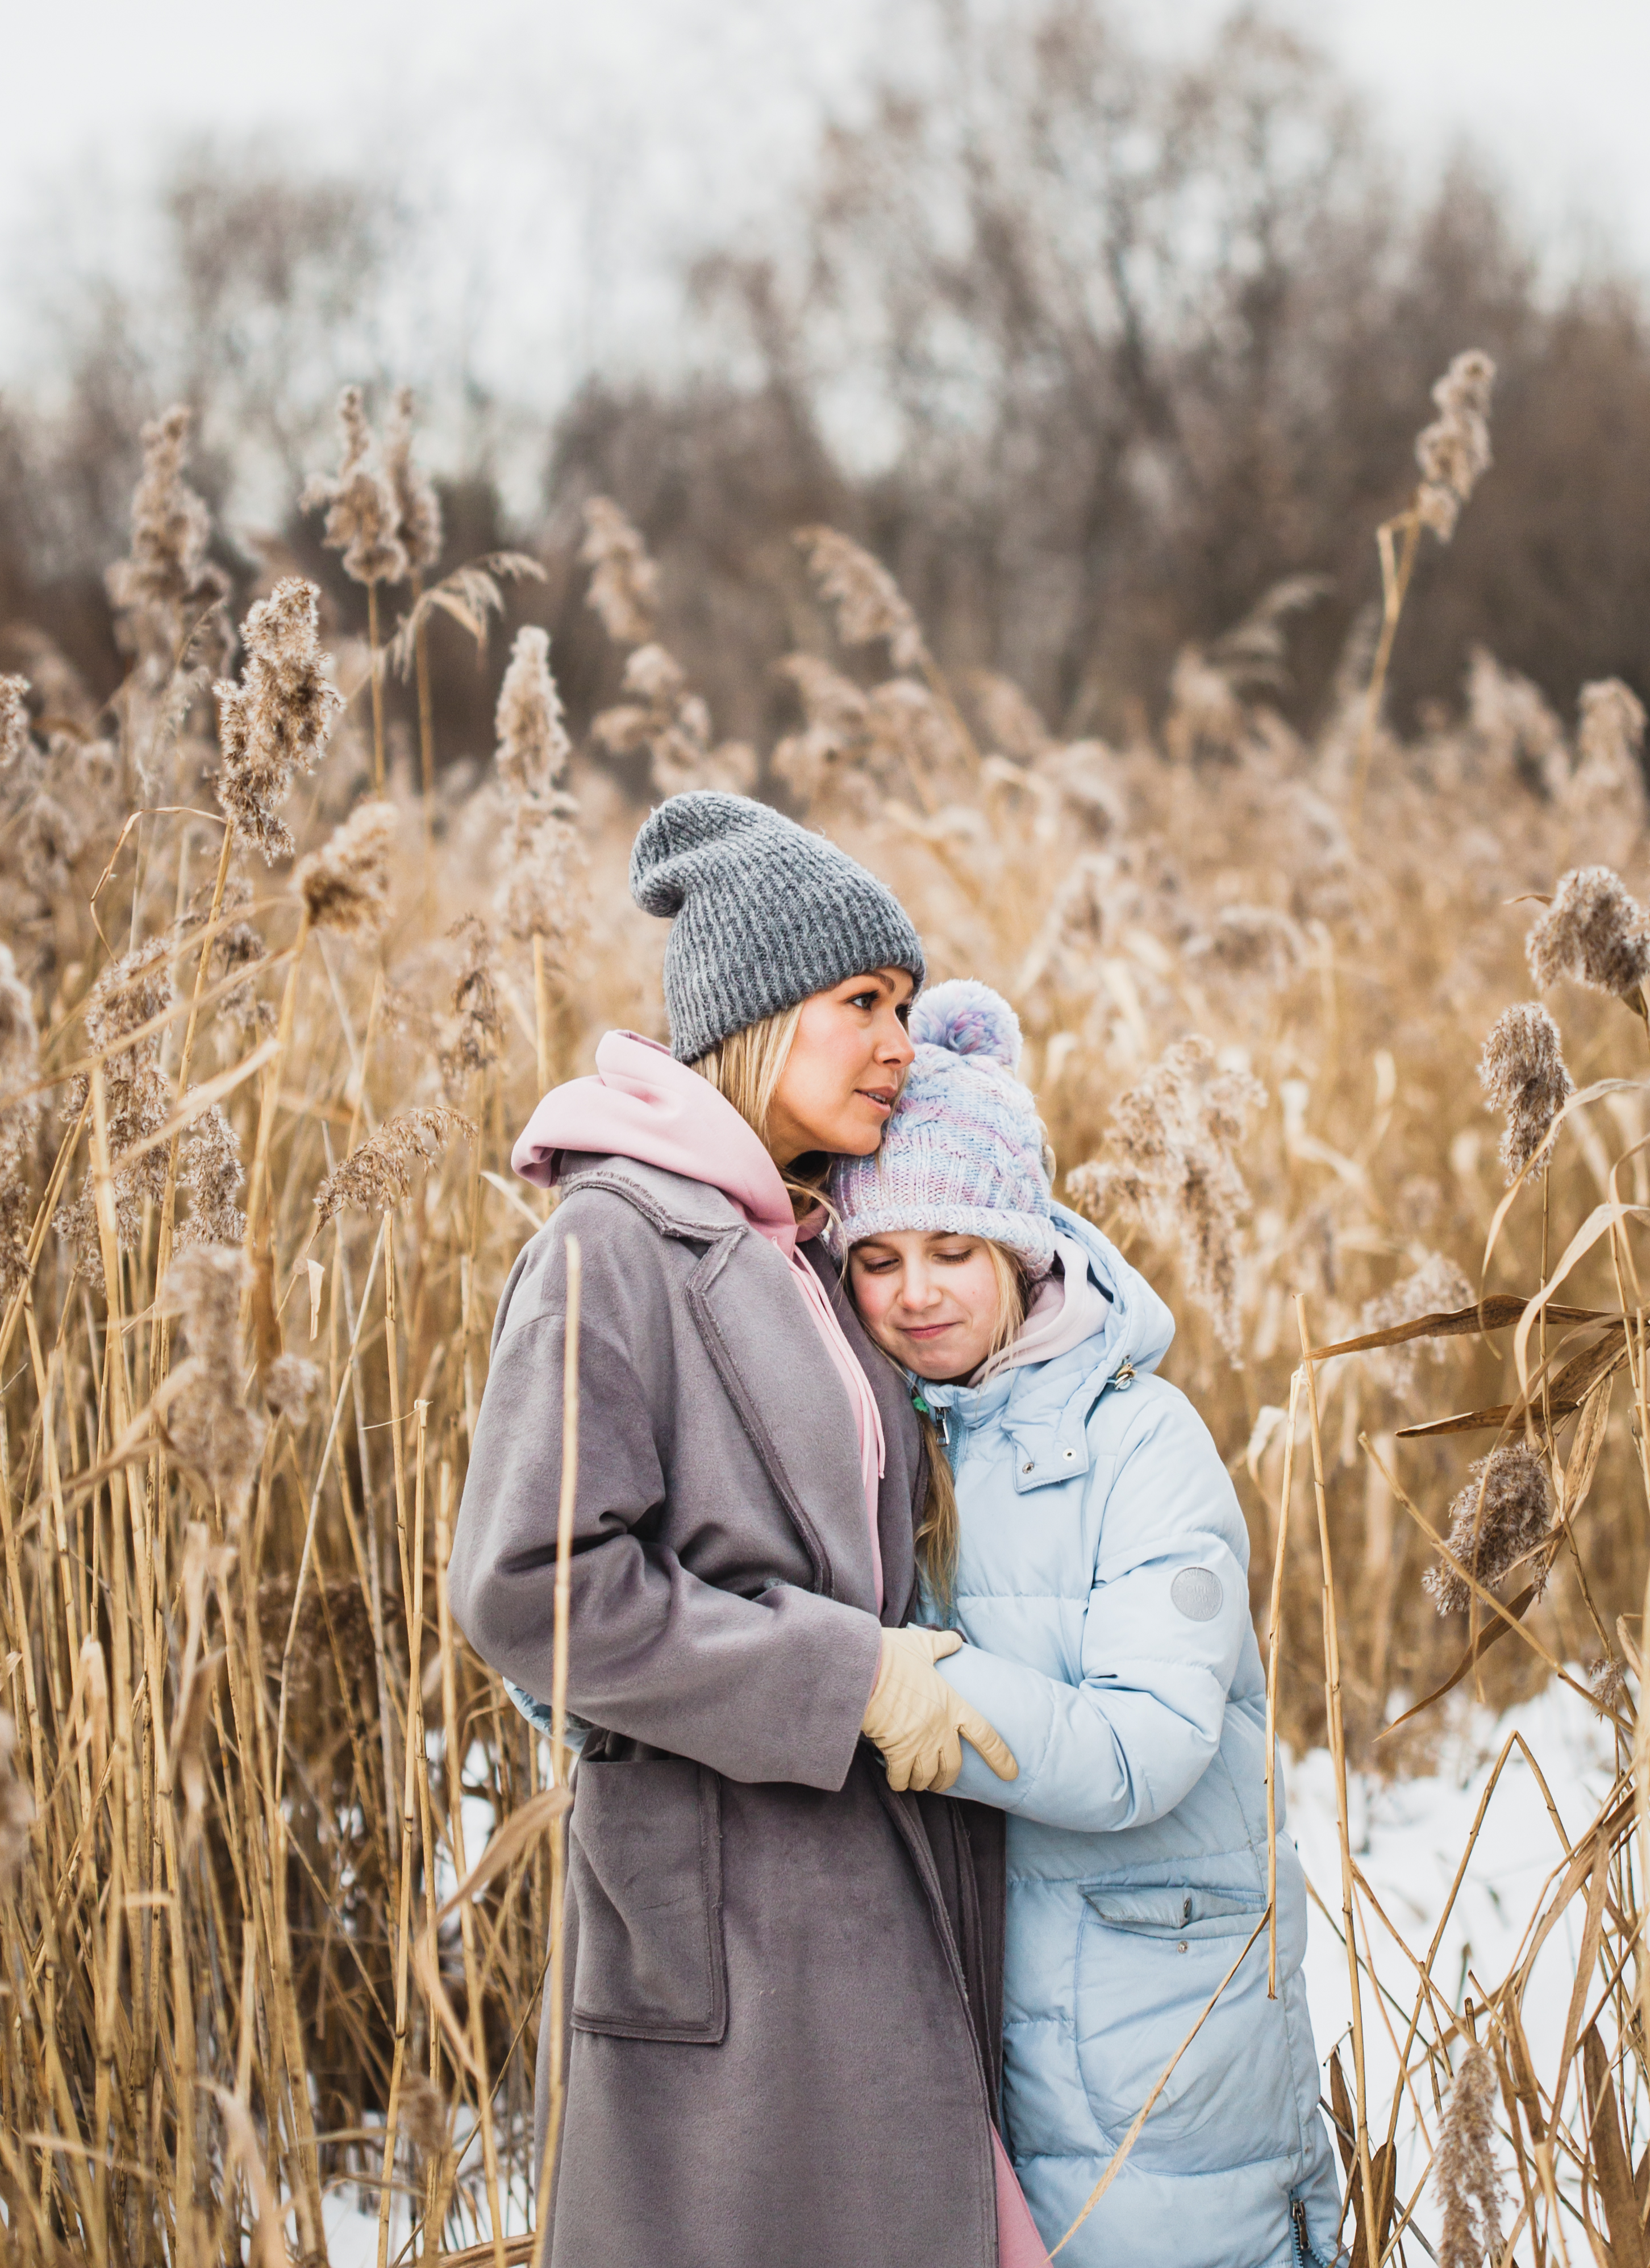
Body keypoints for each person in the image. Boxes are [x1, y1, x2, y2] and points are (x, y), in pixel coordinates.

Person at [447, 794, 1045, 2268]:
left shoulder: (809, 1241)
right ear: (761, 1014)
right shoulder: (614, 1243)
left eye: (904, 1005)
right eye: (863, 1003)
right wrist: (847, 1675)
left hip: (875, 1893)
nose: (899, 1040)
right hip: (729, 1925)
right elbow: (532, 1587)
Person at [828, 978, 1343, 2268]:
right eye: (878, 1260)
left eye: (953, 1251)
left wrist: (935, 1696)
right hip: (976, 2014)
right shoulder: (880, 1440)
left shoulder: (1142, 1444)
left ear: (1019, 1248)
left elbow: (1149, 1744)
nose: (915, 1295)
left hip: (1151, 2023)